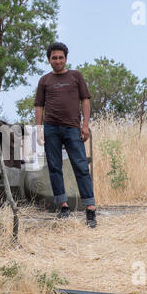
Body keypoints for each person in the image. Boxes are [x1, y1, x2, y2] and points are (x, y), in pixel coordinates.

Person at [34, 42, 97, 228]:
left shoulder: (76, 76)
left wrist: (85, 125)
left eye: (61, 57)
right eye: (54, 57)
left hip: (72, 128)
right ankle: (63, 207)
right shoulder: (44, 80)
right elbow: (39, 106)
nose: (58, 60)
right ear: (49, 60)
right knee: (54, 167)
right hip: (51, 128)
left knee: (81, 166)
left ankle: (90, 209)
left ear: (66, 59)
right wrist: (39, 130)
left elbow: (85, 101)